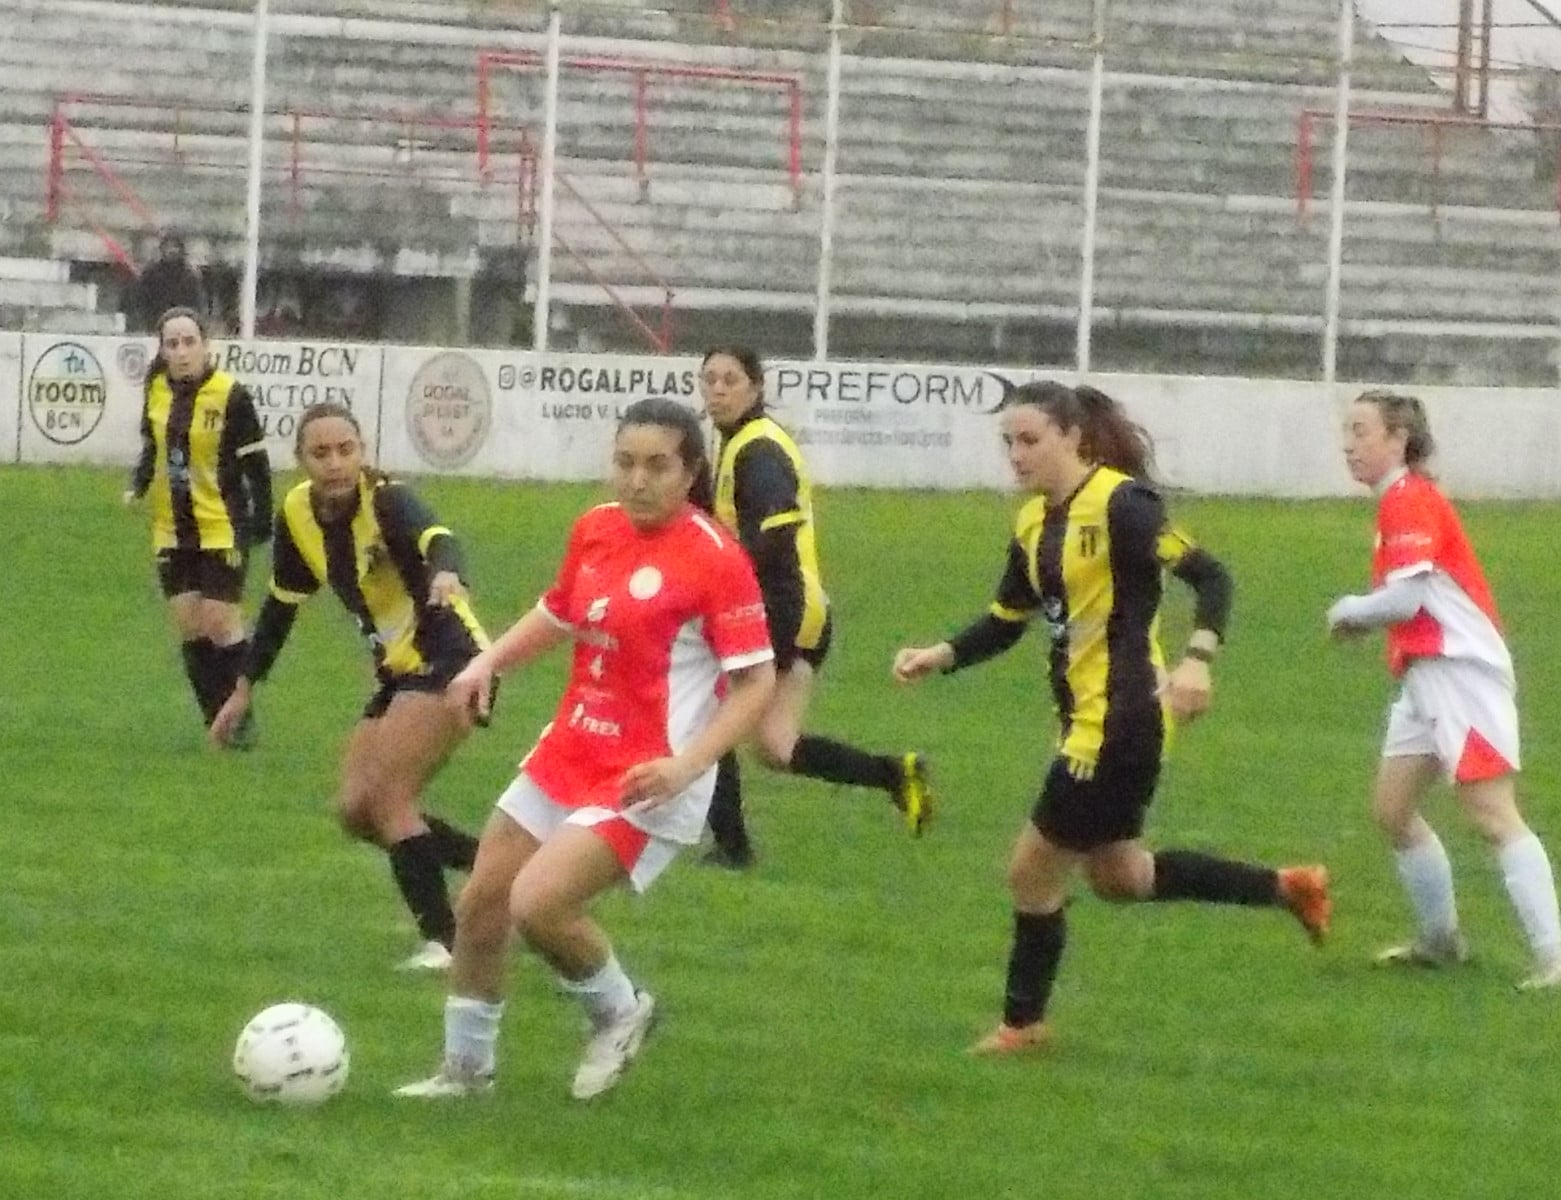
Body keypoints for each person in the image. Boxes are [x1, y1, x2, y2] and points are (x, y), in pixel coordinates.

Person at [892, 381, 1331, 1054]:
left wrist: (1197, 659)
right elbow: (1009, 620)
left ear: (1074, 437)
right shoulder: (1034, 523)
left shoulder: (1123, 506)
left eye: (1030, 440)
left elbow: (1212, 577)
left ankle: (1022, 1026)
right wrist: (941, 654)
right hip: (1082, 723)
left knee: (1029, 873)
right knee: (1122, 878)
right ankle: (1289, 887)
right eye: (1008, 442)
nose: (1017, 455)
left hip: (1119, 723)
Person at [395, 397, 776, 1101]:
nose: (638, 480)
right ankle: (466, 1073)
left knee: (538, 903)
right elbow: (562, 611)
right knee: (481, 900)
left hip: (649, 773)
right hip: (571, 746)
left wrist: (688, 766)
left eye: (658, 465)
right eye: (626, 462)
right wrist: (488, 663)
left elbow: (757, 683)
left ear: (691, 472)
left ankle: (621, 1010)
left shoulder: (717, 559)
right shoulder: (596, 529)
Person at [209, 402, 492, 971]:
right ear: (301, 460)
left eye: (347, 450)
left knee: (390, 799)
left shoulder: (387, 499)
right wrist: (243, 688)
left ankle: (447, 941)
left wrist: (445, 570)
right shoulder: (297, 513)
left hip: (452, 661)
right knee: (356, 811)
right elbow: (282, 605)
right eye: (321, 453)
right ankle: (500, 867)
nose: (336, 463)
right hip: (398, 670)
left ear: (363, 453)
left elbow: (439, 536)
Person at [1327, 390, 1561, 991]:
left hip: (1460, 671)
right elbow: (1416, 600)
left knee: (1492, 813)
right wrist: (1371, 621)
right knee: (1393, 810)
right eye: (1348, 432)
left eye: (1361, 431)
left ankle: (1554, 957)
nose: (1348, 444)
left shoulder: (1410, 500)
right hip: (1424, 672)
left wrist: (1351, 610)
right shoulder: (1400, 502)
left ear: (1398, 440)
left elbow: (1409, 598)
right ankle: (1440, 942)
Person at [697, 345, 932, 869]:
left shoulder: (758, 449)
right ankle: (895, 774)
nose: (717, 389)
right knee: (776, 746)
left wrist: (725, 587)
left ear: (756, 388)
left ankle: (732, 848)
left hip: (782, 607)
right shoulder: (738, 444)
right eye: (709, 379)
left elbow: (776, 536)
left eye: (729, 380)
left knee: (710, 716)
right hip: (802, 609)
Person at [124, 306, 271, 747]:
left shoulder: (231, 395)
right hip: (172, 529)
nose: (182, 351)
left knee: (220, 620)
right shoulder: (156, 390)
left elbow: (257, 465)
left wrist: (262, 518)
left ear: (207, 346)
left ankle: (240, 718)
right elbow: (153, 447)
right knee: (190, 625)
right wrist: (138, 484)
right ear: (163, 350)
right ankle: (217, 721)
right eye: (173, 343)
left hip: (223, 525)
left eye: (190, 342)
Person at [125, 230, 206, 334]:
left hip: (183, 328)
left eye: (175, 247)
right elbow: (139, 302)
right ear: (162, 250)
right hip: (154, 328)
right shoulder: (150, 274)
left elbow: (197, 306)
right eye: (168, 247)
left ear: (181, 250)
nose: (172, 251)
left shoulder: (190, 276)